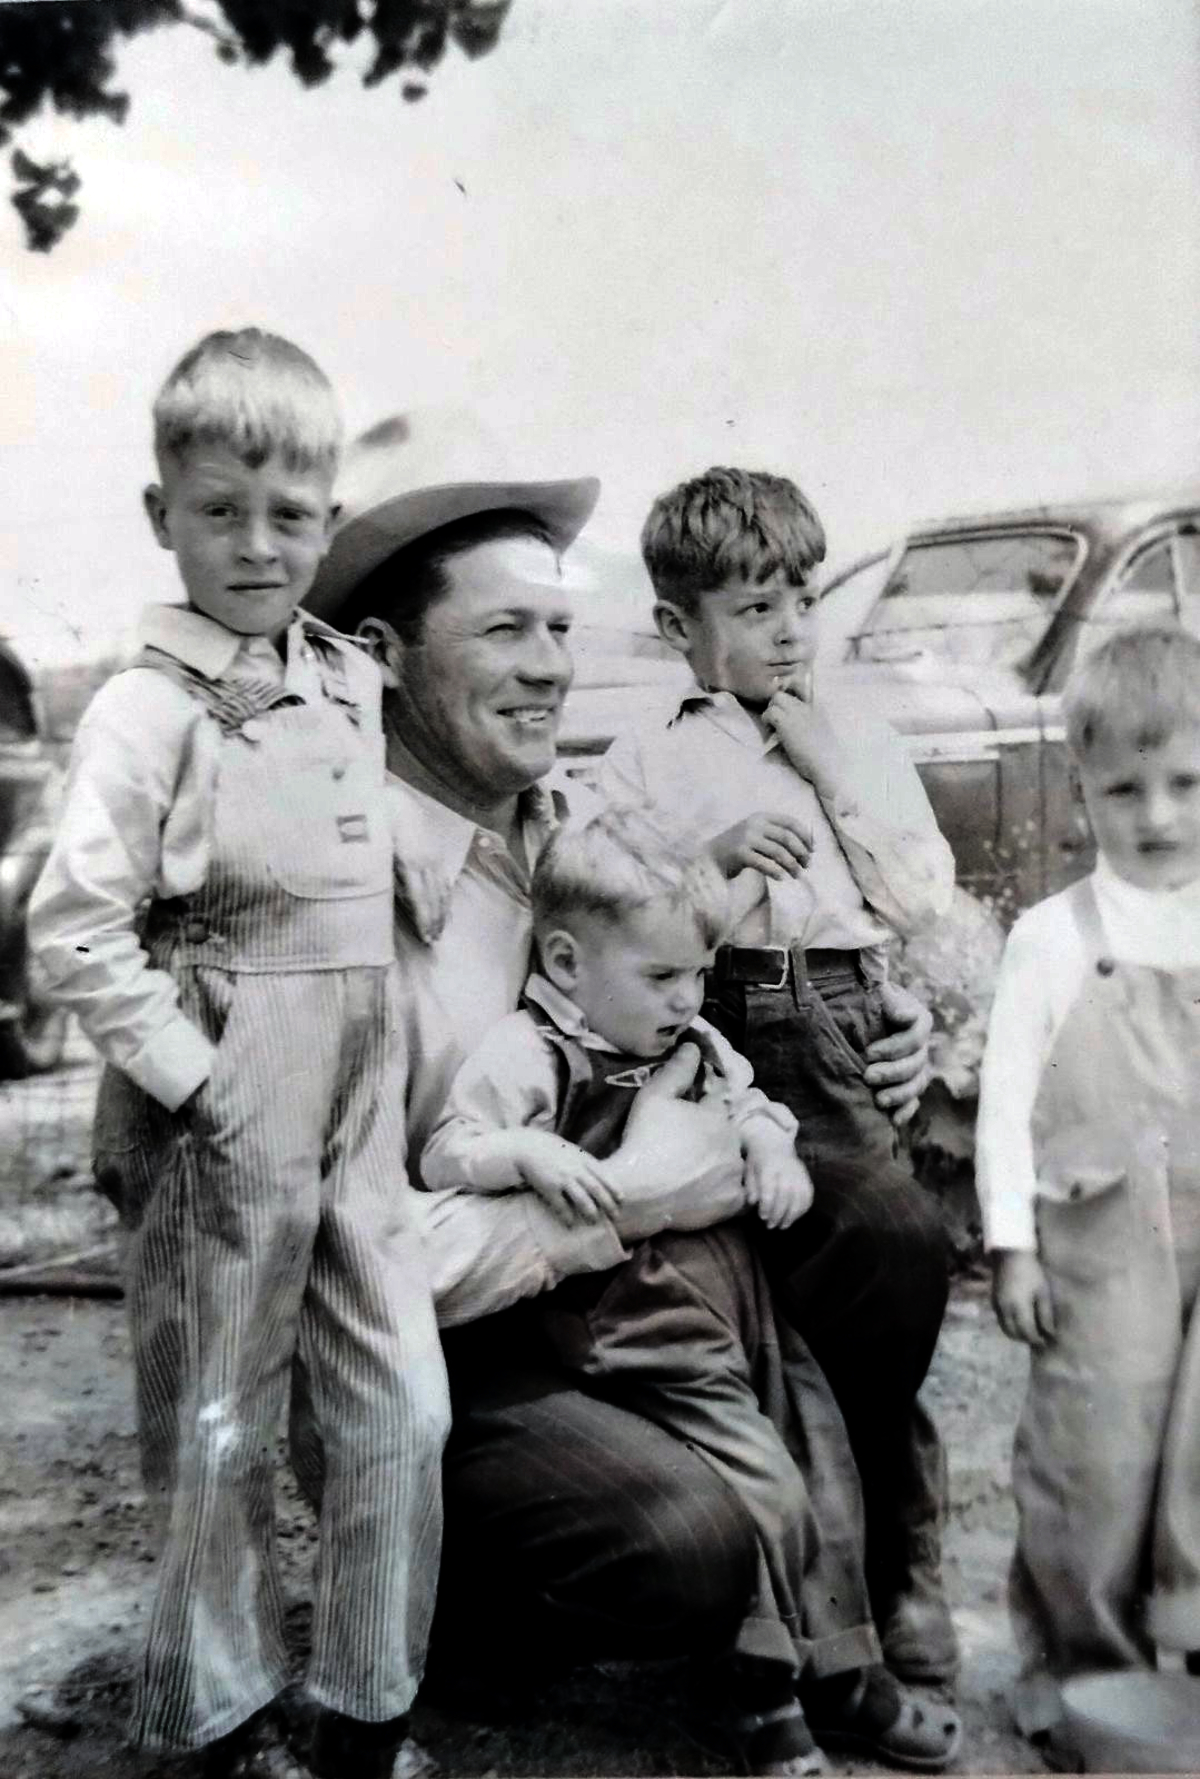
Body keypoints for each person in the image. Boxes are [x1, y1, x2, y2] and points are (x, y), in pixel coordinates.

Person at [301, 410, 940, 1722]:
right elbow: (360, 1267)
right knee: (683, 1539)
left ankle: (861, 1589)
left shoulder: (586, 826)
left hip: (643, 1303)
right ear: (376, 658)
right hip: (468, 1356)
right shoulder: (326, 910)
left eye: (555, 628)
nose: (548, 667)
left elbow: (732, 960)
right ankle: (474, 1613)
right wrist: (638, 1197)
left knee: (885, 1228)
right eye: (503, 631)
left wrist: (895, 1024)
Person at [27, 334, 449, 1779]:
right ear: (165, 517)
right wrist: (201, 1080)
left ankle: (365, 1699)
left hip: (358, 1096)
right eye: (222, 511)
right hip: (227, 1095)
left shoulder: (348, 685)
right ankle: (219, 1716)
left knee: (401, 1399)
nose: (258, 545)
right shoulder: (149, 707)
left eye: (289, 516)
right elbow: (75, 926)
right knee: (218, 1420)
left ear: (327, 521)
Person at [422, 802, 960, 1774]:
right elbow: (448, 1150)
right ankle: (762, 1691)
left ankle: (842, 1665)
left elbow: (750, 1100)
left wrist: (768, 1143)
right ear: (567, 962)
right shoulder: (530, 1053)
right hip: (636, 1312)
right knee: (757, 1470)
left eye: (700, 971)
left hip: (733, 1294)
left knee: (818, 1443)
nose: (688, 997)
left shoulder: (692, 1044)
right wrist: (524, 1152)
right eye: (663, 975)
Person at [595, 466, 959, 1682]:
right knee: (780, 1319)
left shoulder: (850, 728)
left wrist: (830, 767)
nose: (791, 627)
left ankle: (912, 1559)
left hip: (845, 1021)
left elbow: (920, 897)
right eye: (754, 609)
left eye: (800, 597)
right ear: (676, 629)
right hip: (721, 1030)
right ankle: (820, 1599)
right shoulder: (646, 757)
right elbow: (620, 923)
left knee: (894, 1255)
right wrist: (710, 858)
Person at [977, 621, 1200, 1754]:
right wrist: (1010, 1244)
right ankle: (1076, 1666)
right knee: (1097, 1451)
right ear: (1081, 790)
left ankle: (1188, 1674)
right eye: (1125, 790)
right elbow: (1007, 1102)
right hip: (1104, 1234)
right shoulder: (1053, 938)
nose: (1156, 817)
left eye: (1184, 785)